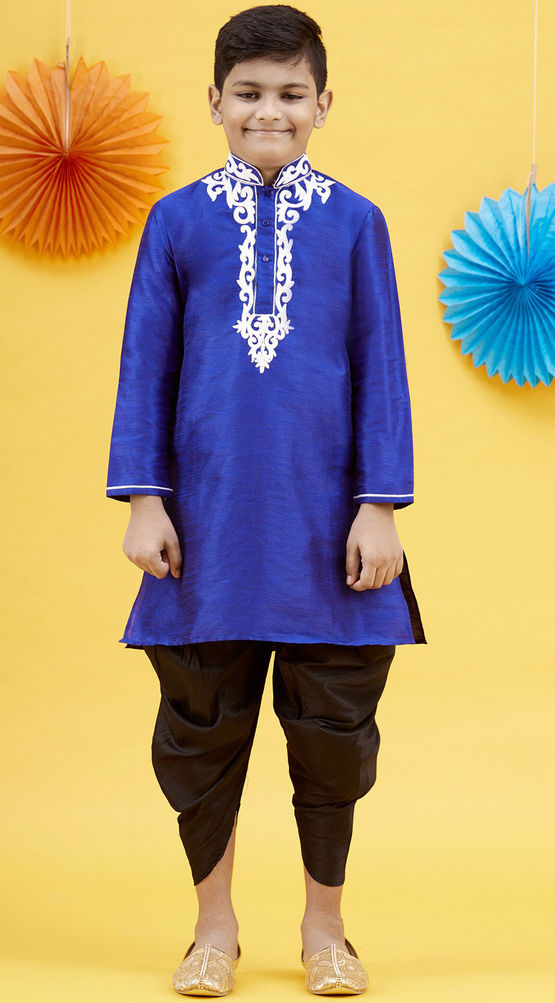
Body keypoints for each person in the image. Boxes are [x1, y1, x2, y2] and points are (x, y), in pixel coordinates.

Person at [106, 4, 426, 996]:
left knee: (332, 736)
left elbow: (382, 368)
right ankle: (214, 929)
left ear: (324, 104)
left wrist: (379, 505)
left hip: (330, 531)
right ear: (214, 100)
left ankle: (325, 930)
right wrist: (145, 498)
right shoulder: (176, 221)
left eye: (291, 93)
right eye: (248, 93)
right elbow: (145, 367)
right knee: (200, 733)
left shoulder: (357, 222)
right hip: (206, 528)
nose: (269, 111)